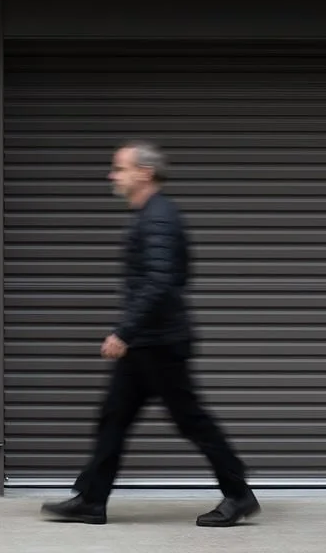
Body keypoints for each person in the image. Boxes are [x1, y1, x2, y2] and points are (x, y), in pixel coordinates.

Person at [40, 140, 260, 528]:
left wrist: (124, 332)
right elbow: (180, 272)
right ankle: (91, 500)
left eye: (119, 168)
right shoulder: (151, 215)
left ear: (144, 172)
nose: (112, 175)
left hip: (159, 344)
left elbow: (161, 282)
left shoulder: (158, 217)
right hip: (148, 343)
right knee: (113, 418)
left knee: (191, 421)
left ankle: (239, 494)